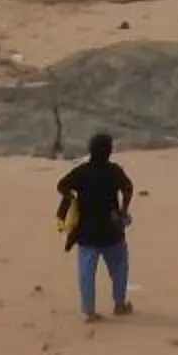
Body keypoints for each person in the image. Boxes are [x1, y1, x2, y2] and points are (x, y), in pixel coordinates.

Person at [56, 132, 135, 323]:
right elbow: (128, 188)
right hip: (111, 230)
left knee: (86, 272)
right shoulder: (114, 171)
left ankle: (89, 311)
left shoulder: (82, 171)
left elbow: (61, 185)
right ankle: (119, 304)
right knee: (119, 268)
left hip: (86, 231)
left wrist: (72, 199)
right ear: (109, 151)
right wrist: (124, 210)